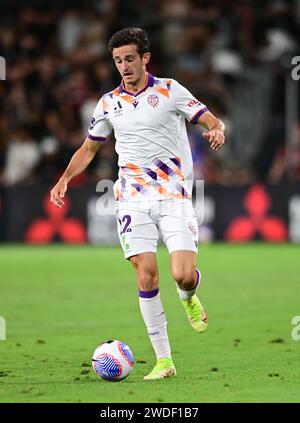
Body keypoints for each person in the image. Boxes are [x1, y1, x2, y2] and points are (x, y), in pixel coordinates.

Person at [50, 27, 225, 380]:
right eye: (118, 61)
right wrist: (65, 178)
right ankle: (164, 361)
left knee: (182, 274)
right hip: (131, 200)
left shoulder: (170, 90)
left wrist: (217, 130)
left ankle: (188, 293)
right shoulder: (107, 104)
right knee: (146, 276)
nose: (124, 66)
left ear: (145, 57)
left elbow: (211, 119)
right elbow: (89, 148)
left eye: (130, 58)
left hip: (174, 197)